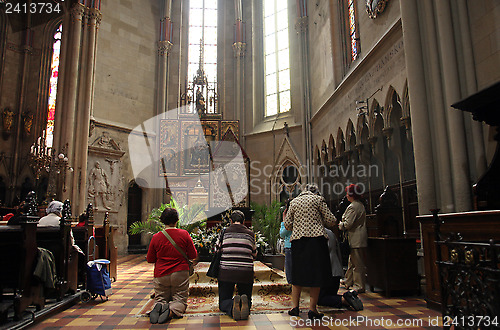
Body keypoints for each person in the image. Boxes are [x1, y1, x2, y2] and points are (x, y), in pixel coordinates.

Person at [284, 183, 336, 320]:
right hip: (316, 241)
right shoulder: (318, 200)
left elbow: (288, 224)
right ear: (316, 192)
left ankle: (294, 307)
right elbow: (331, 220)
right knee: (316, 275)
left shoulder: (294, 202)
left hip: (298, 242)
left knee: (297, 274)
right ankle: (312, 309)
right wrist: (319, 221)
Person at [147, 208, 198, 324]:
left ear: (162, 220)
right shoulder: (184, 234)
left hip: (161, 273)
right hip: (180, 272)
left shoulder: (156, 237)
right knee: (180, 299)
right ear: (177, 220)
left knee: (160, 297)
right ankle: (171, 311)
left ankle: (158, 306)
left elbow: (150, 259)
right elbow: (193, 255)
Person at [217, 210, 256, 320]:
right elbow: (254, 253)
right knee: (247, 298)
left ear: (230, 221)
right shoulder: (250, 233)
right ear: (244, 221)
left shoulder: (224, 232)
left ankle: (231, 305)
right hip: (245, 273)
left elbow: (216, 249)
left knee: (223, 301)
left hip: (226, 272)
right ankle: (245, 304)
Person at [318, 228, 363, 311]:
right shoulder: (330, 232)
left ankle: (345, 300)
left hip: (327, 273)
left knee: (319, 299)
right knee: (330, 294)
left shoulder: (318, 234)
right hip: (336, 272)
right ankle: (350, 295)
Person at [338, 184, 367, 293]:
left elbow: (348, 224)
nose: (346, 196)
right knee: (352, 262)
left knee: (357, 264)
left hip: (356, 238)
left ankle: (359, 286)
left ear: (352, 195)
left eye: (347, 193)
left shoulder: (353, 207)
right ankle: (348, 281)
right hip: (356, 238)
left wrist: (341, 225)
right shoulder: (358, 205)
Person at [279, 200, 292, 284]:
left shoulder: (290, 220)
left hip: (290, 246)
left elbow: (282, 234)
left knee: (290, 270)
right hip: (299, 244)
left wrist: (283, 222)